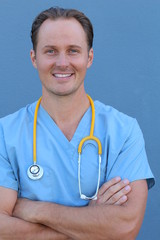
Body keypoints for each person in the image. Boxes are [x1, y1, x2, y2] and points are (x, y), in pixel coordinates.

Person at [0, 7, 155, 240]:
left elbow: (124, 229)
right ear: (34, 58)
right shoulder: (5, 133)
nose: (62, 63)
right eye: (50, 51)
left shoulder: (123, 131)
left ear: (89, 57)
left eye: (73, 51)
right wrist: (92, 225)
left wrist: (34, 209)